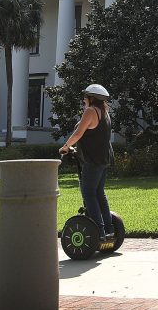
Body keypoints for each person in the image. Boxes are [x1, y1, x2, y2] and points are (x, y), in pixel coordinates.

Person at [59, 83, 116, 240]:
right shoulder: (105, 112)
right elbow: (95, 136)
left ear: (92, 98)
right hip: (103, 157)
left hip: (93, 160)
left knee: (89, 193)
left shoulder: (91, 111)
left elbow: (78, 134)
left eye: (86, 97)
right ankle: (109, 229)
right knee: (99, 193)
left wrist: (65, 147)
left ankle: (99, 230)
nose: (84, 99)